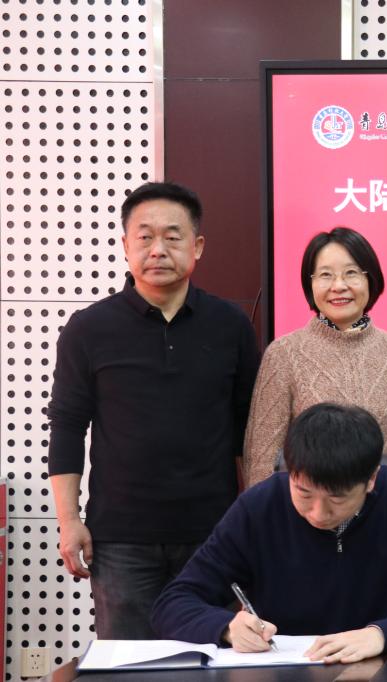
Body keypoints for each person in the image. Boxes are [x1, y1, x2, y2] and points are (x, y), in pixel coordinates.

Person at [46, 181, 260, 639]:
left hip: (212, 534)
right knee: (128, 664)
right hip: (120, 539)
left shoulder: (231, 326)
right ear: (126, 245)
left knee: (216, 658)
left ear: (197, 246)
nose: (158, 249)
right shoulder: (88, 329)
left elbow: (248, 429)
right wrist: (69, 521)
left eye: (172, 236)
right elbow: (66, 426)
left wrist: (252, 520)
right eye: (144, 237)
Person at [151, 402, 387, 664]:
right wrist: (225, 627)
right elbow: (173, 602)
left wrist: (382, 634)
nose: (317, 513)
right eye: (304, 493)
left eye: (337, 499)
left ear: (371, 479)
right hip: (286, 670)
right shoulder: (260, 506)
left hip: (384, 668)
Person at [243, 227, 387, 487]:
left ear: (371, 279)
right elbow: (263, 461)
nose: (339, 286)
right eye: (326, 275)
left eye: (351, 273)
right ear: (310, 283)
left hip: (384, 506)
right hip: (307, 508)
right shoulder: (284, 354)